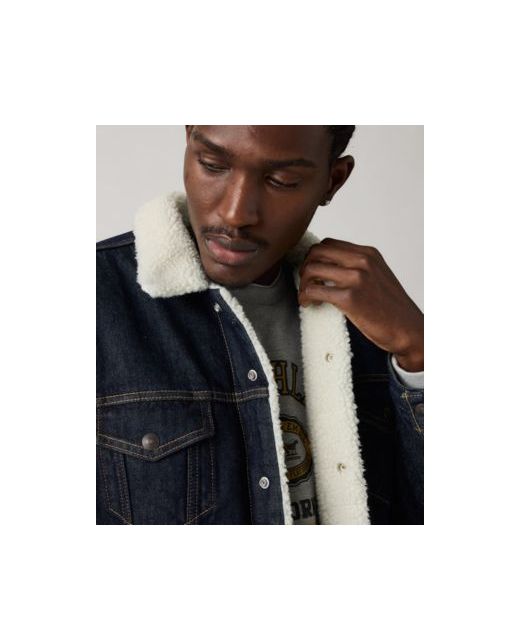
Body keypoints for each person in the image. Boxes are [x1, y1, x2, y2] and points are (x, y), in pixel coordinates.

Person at [96, 125, 424, 525]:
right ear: (188, 140)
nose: (236, 213)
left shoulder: (367, 315)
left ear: (332, 181)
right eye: (213, 165)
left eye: (280, 181)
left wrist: (420, 351)